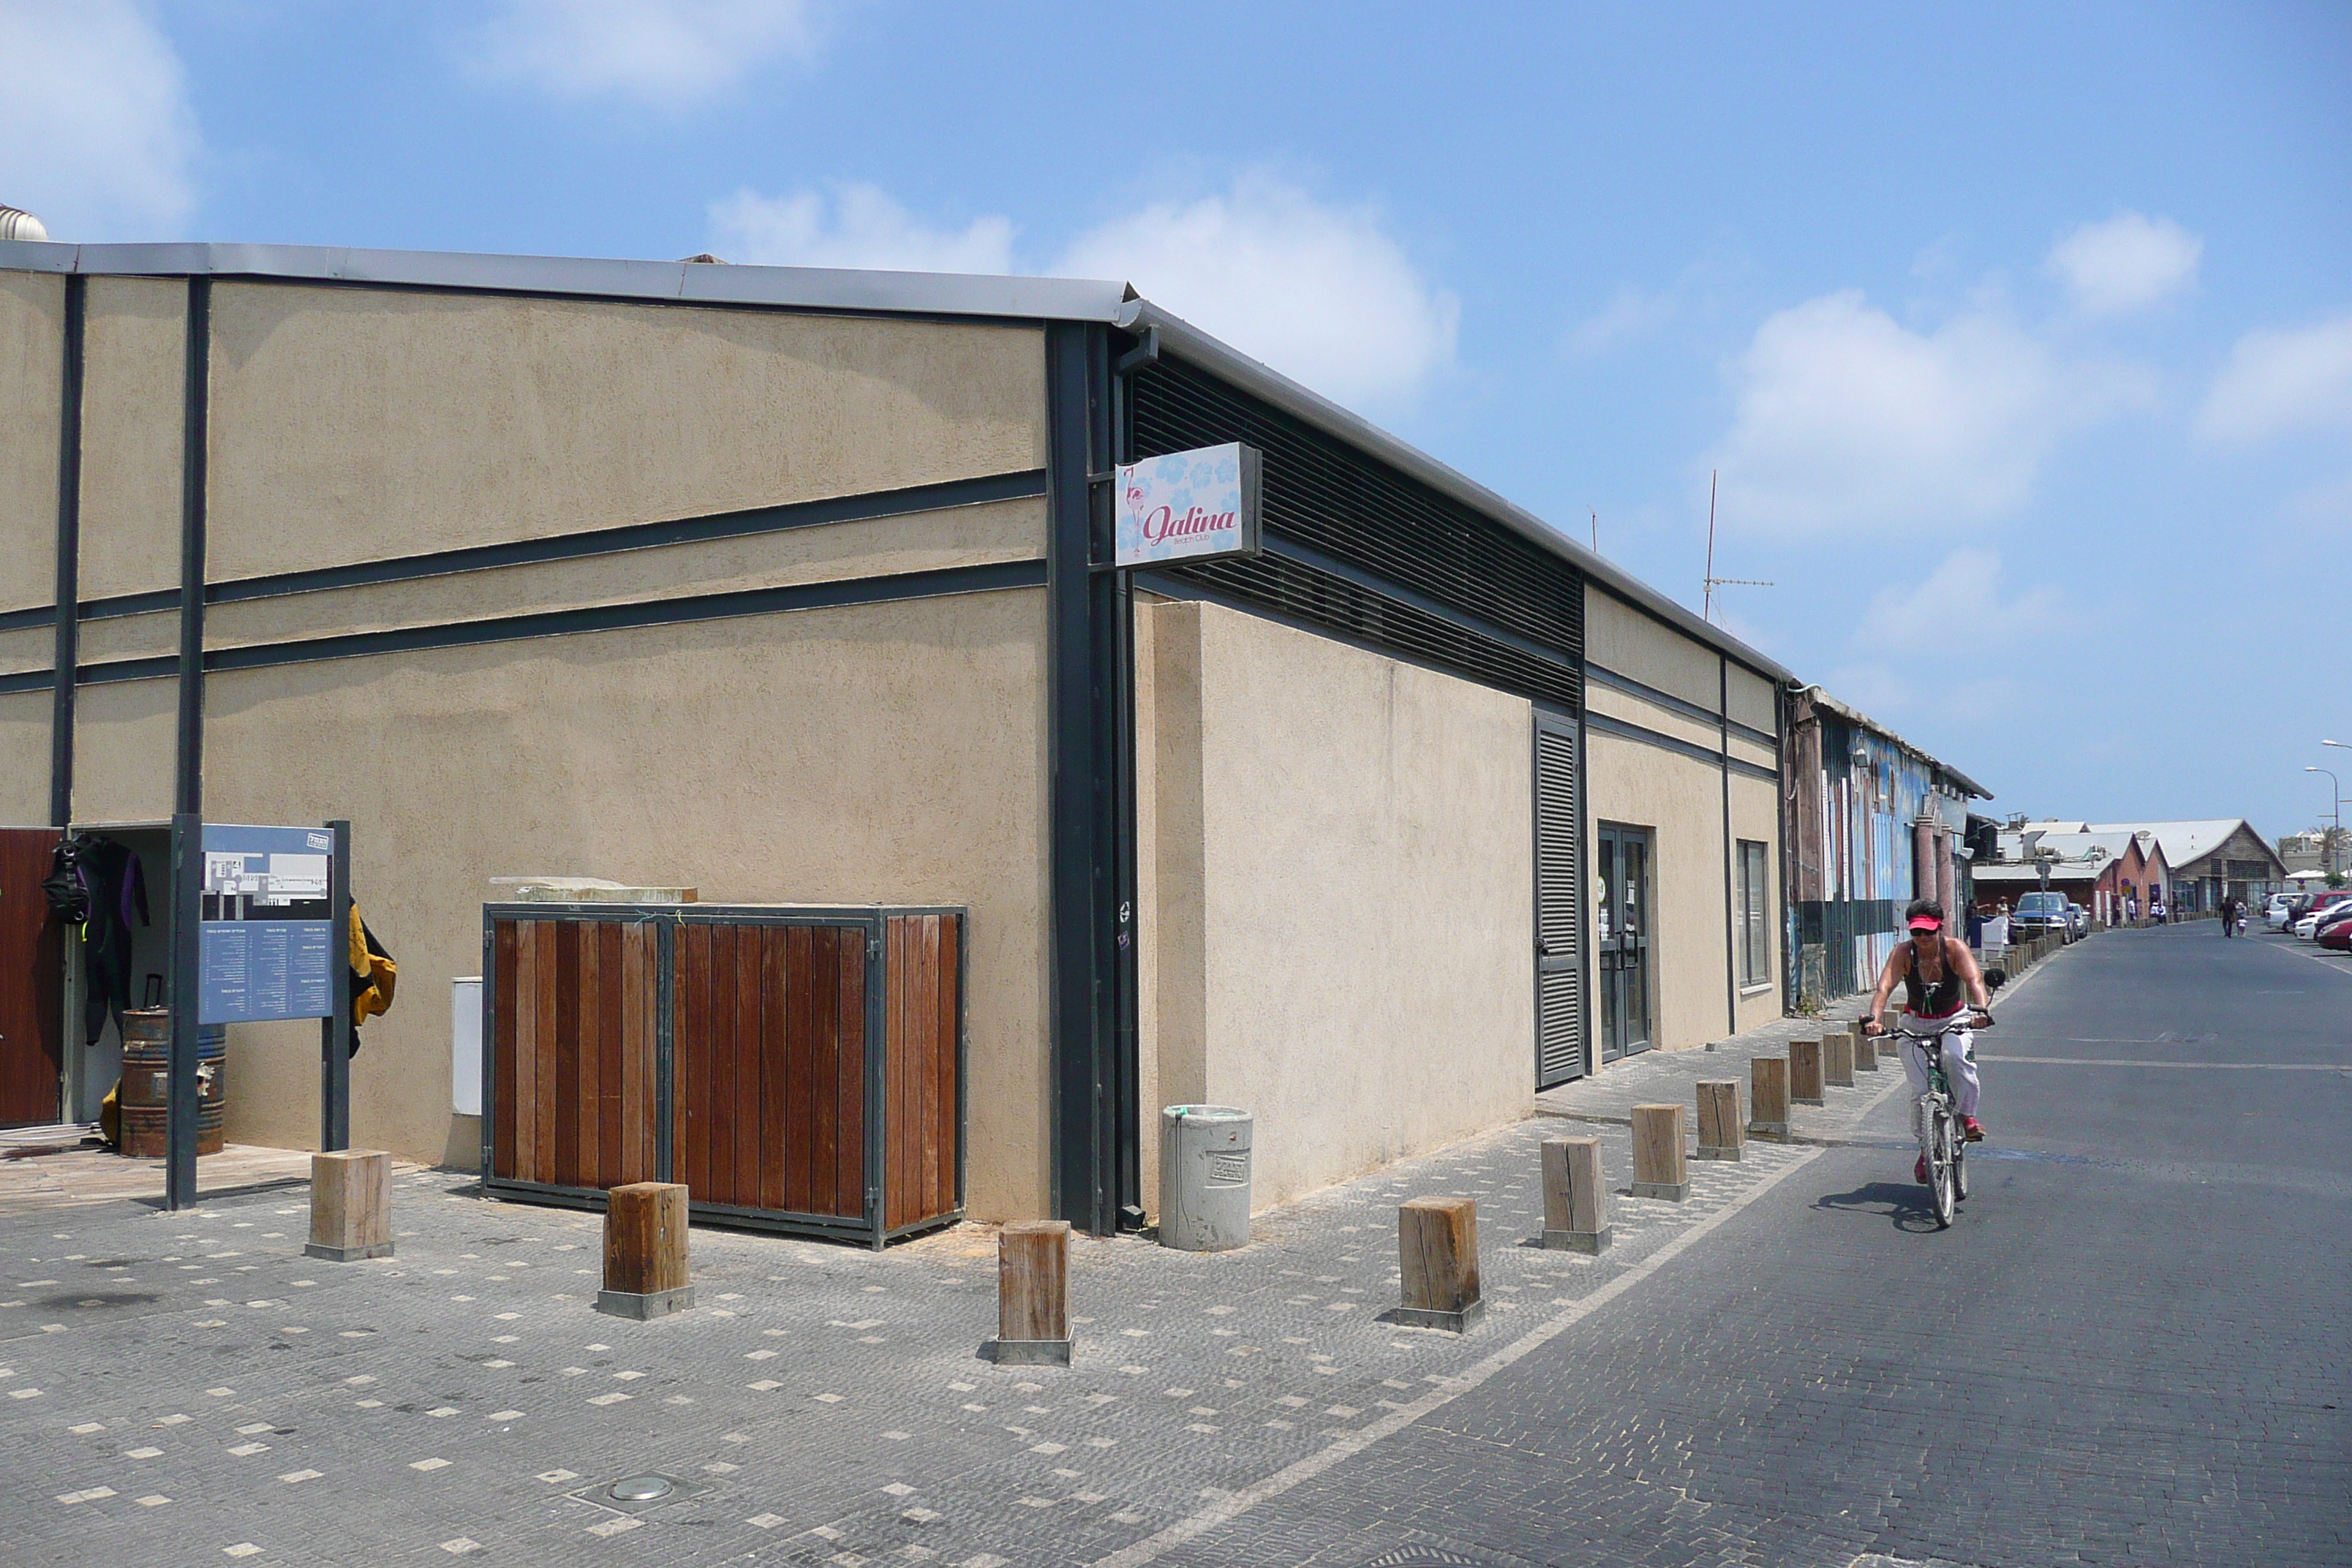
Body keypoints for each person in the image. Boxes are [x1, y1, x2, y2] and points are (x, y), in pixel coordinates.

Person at [1861, 897, 1993, 1186]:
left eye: (1928, 932)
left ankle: (1968, 1118)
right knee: (1920, 1091)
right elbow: (1885, 986)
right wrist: (1874, 1019)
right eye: (1916, 932)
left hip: (1954, 1019)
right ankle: (1926, 1149)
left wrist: (1981, 1011)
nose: (1922, 938)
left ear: (1939, 929)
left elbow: (1975, 981)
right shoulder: (1903, 953)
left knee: (1955, 1060)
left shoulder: (1954, 949)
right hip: (1915, 1022)